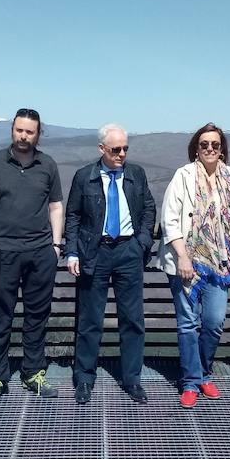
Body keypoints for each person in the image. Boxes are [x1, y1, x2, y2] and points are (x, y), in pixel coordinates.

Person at [0, 108, 64, 407]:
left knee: (37, 317)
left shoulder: (47, 165)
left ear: (39, 134)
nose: (24, 136)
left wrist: (56, 246)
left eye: (30, 132)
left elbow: (56, 206)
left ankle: (33, 372)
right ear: (12, 130)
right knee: (0, 316)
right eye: (19, 130)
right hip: (1, 253)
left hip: (40, 252)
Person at [64, 124, 156, 405]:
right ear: (102, 149)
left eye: (125, 148)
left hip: (129, 251)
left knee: (132, 319)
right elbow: (73, 217)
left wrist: (141, 242)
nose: (122, 154)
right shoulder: (84, 177)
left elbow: (149, 209)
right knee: (90, 319)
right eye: (116, 149)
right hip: (95, 252)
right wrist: (72, 252)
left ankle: (132, 379)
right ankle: (84, 379)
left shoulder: (136, 174)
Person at [158, 123, 230, 408]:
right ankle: (192, 380)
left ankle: (204, 370)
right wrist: (182, 256)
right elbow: (170, 219)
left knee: (214, 322)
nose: (209, 149)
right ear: (196, 147)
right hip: (187, 262)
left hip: (218, 262)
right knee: (187, 324)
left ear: (222, 150)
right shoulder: (183, 175)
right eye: (204, 144)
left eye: (215, 145)